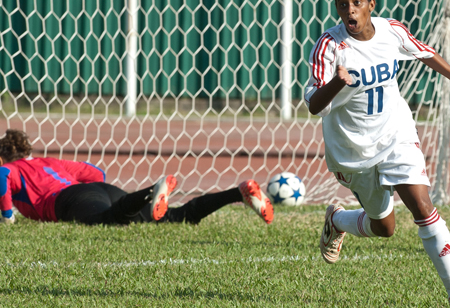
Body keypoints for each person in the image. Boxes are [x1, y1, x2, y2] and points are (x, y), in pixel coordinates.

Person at [304, 0, 450, 308]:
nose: (350, 10)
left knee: (423, 206)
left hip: (396, 135)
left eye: (357, 2)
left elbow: (426, 54)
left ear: (371, 5)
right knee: (385, 228)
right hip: (353, 151)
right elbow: (314, 105)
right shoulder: (329, 47)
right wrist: (337, 82)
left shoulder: (391, 30)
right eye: (343, 4)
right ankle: (337, 220)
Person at [0, 129, 273, 226]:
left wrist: (8, 217)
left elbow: (2, 179)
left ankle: (149, 191)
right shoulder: (51, 162)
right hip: (102, 189)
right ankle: (237, 192)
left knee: (106, 221)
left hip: (68, 199)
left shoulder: (11, 169)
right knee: (176, 218)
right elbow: (95, 173)